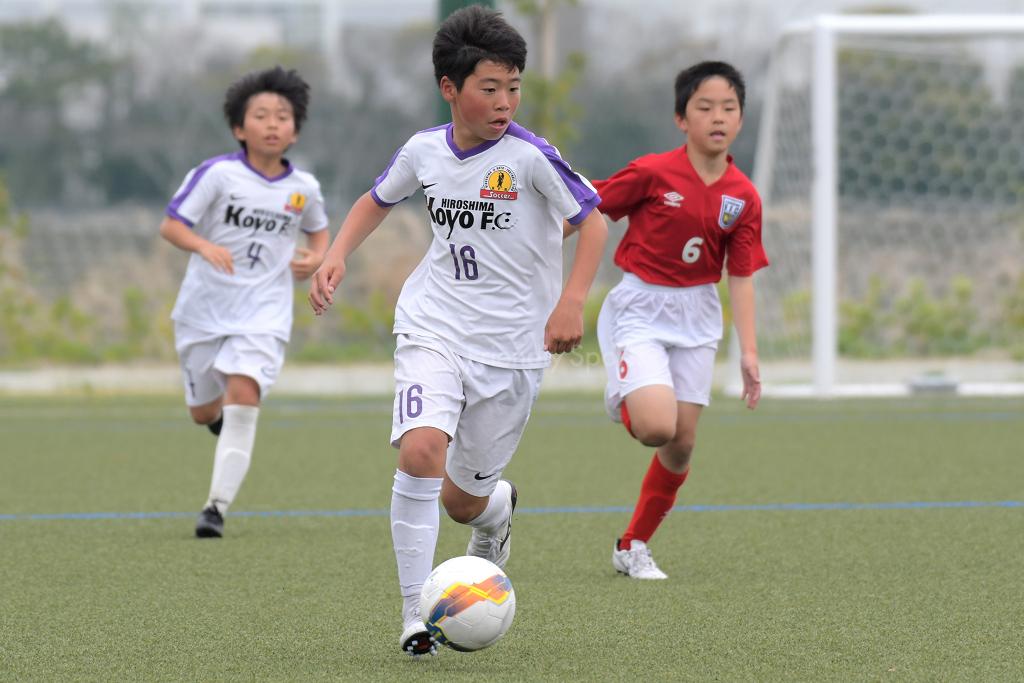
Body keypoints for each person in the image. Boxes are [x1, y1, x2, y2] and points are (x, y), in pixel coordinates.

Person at [309, 5, 607, 657]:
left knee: (462, 504)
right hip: (434, 325)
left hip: (512, 352)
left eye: (514, 87)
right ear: (450, 87)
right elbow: (376, 200)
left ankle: (496, 509)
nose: (505, 102)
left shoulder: (530, 157)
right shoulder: (423, 151)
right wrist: (337, 254)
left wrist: (571, 300)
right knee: (420, 451)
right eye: (489, 88)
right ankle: (414, 617)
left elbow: (594, 221)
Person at [587, 61, 767, 579]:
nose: (718, 117)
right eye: (704, 107)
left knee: (682, 443)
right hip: (641, 308)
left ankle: (632, 544)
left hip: (698, 314)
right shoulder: (652, 173)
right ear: (681, 118)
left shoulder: (743, 196)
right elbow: (588, 206)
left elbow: (742, 276)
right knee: (655, 428)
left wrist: (748, 352)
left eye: (729, 108)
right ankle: (626, 395)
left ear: (741, 119)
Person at [160, 66, 329, 539]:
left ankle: (214, 509)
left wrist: (316, 257)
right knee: (203, 412)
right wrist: (204, 246)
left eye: (283, 116)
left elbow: (318, 231)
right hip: (203, 310)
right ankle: (218, 420)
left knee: (245, 391)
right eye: (261, 115)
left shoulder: (304, 189)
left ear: (295, 131)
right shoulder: (217, 175)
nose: (273, 123)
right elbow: (172, 225)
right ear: (239, 128)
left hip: (264, 313)